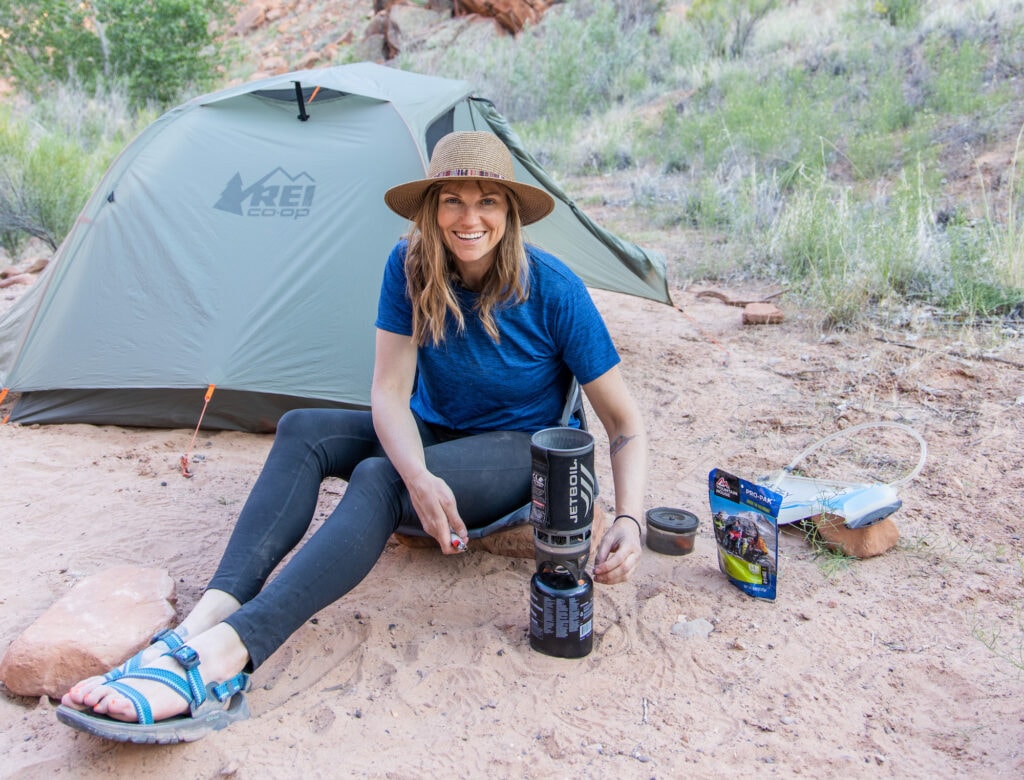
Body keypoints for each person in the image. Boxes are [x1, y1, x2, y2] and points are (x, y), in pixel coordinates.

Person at [56, 131, 648, 744]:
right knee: (304, 429)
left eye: (488, 202)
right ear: (431, 208)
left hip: (525, 451)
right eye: (452, 201)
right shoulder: (410, 265)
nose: (469, 219)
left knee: (380, 477)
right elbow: (390, 392)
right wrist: (422, 473)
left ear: (510, 212)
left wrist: (629, 518)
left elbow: (623, 421)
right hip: (438, 432)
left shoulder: (552, 287)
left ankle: (228, 657)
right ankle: (209, 617)